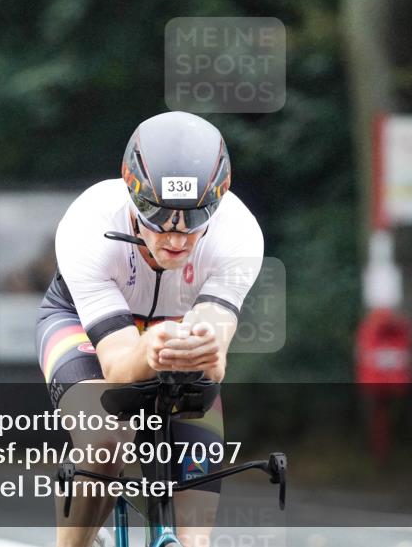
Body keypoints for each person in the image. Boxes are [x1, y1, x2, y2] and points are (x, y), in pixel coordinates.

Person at [35, 111, 264, 547]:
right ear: (131, 191)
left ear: (219, 200)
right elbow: (120, 366)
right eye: (156, 215)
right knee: (105, 441)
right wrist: (150, 348)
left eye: (194, 219)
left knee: (195, 524)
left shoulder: (239, 233)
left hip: (175, 329)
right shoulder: (89, 222)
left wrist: (205, 350)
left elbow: (214, 359)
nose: (175, 238)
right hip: (82, 324)